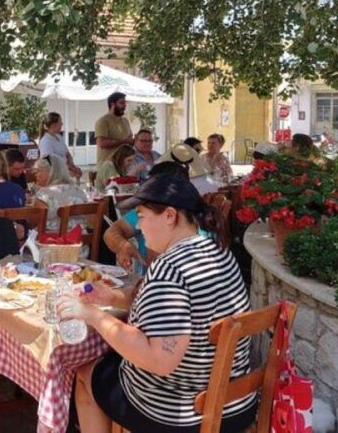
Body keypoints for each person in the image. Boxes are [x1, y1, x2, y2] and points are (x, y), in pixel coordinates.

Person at [58, 174, 256, 433]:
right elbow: (178, 309)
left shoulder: (169, 269)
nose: (138, 227)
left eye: (141, 216)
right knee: (110, 362)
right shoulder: (219, 251)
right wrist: (113, 298)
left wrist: (92, 315)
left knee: (85, 373)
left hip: (178, 413)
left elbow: (160, 360)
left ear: (169, 216)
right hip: (236, 403)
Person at [103, 162, 189, 272]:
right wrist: (122, 245)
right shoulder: (148, 209)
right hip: (144, 283)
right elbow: (110, 233)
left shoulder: (196, 224)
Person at [33, 154, 88, 232]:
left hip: (54, 241)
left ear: (50, 171)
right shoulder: (79, 191)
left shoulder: (43, 194)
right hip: (80, 240)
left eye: (38, 170)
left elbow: (34, 222)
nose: (36, 175)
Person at [38, 112, 83, 179]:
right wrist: (67, 171)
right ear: (54, 125)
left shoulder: (59, 137)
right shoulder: (45, 141)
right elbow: (49, 163)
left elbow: (67, 154)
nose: (62, 124)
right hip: (55, 178)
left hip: (64, 174)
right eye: (60, 122)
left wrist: (73, 167)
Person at [95, 92, 134, 164]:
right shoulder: (103, 121)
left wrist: (138, 140)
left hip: (123, 166)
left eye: (125, 103)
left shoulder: (125, 121)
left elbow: (130, 139)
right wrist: (123, 141)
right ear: (112, 104)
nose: (124, 106)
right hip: (107, 166)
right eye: (122, 103)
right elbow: (102, 143)